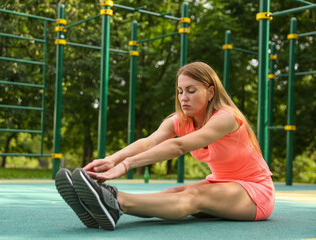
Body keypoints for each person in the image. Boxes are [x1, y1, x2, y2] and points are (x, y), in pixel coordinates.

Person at [55, 62, 275, 231]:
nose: (183, 98)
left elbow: (179, 146)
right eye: (180, 91)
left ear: (210, 92)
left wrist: (127, 165)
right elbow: (149, 141)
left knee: (194, 197)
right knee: (172, 192)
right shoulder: (180, 120)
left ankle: (114, 200)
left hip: (254, 191)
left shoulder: (226, 118)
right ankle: (103, 207)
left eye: (191, 90)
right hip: (220, 183)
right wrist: (113, 159)